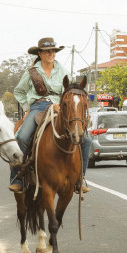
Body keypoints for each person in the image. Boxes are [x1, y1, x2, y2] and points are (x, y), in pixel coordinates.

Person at [9, 37, 91, 194]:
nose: (51, 54)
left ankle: (80, 179)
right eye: (47, 51)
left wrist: (65, 103)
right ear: (40, 53)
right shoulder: (32, 72)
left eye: (53, 51)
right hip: (38, 106)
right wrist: (27, 108)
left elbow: (69, 92)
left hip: (60, 107)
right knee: (22, 138)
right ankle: (17, 177)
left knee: (86, 140)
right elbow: (18, 91)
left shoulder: (63, 71)